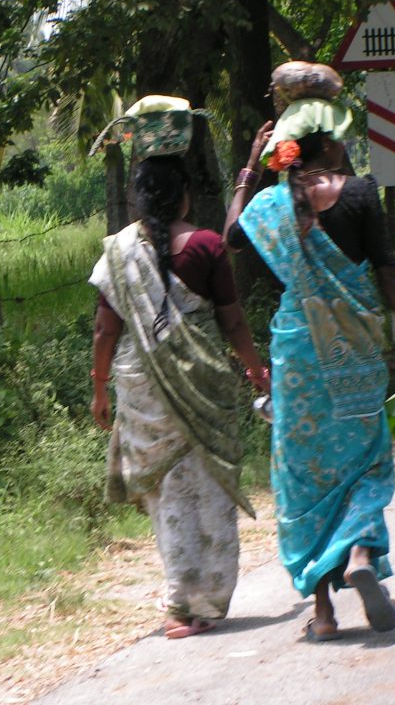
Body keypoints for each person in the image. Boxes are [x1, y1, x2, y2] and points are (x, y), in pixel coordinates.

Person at [222, 82, 395, 642]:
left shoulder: (273, 206)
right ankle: (362, 554)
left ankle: (322, 614)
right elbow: (389, 271)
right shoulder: (362, 193)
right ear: (335, 144)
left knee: (302, 478)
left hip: (298, 355)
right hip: (354, 350)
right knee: (366, 463)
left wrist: (250, 168)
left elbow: (230, 236)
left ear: (289, 149)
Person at [89, 154, 270, 640]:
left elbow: (107, 331)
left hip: (141, 385)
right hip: (203, 380)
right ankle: (207, 603)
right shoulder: (208, 245)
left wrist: (99, 387)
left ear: (138, 198)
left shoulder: (119, 252)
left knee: (167, 495)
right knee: (210, 489)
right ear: (185, 195)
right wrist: (255, 370)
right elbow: (232, 321)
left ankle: (178, 605)